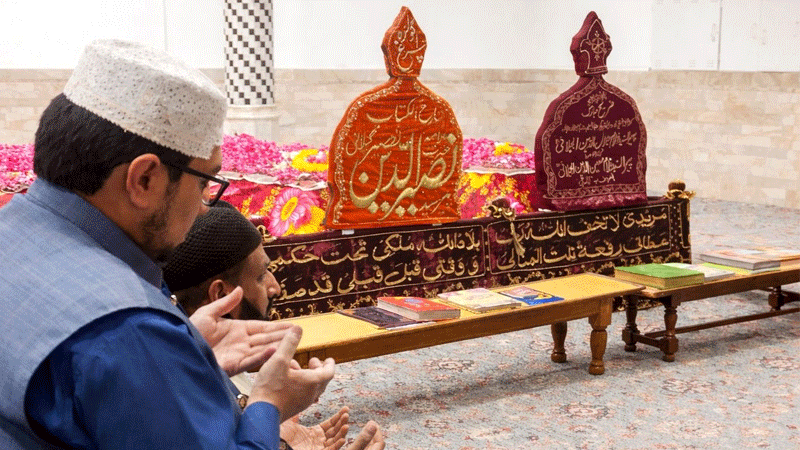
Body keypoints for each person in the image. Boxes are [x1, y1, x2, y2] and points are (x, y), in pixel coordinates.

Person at [0, 39, 379, 449]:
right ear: (144, 179)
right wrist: (269, 403)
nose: (202, 208)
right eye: (204, 182)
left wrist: (186, 354)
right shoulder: (129, 329)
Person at [163, 202, 384, 450]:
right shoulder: (189, 401)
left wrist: (280, 439)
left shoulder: (175, 361)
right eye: (261, 276)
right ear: (221, 295)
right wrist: (271, 406)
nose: (275, 288)